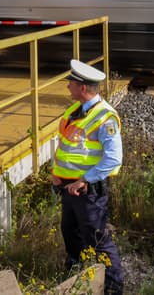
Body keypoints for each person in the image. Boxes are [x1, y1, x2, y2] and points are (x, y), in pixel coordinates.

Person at [51, 60, 124, 294]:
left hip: (88, 192)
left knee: (99, 241)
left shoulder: (105, 118)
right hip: (69, 189)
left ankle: (113, 288)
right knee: (71, 235)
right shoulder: (75, 110)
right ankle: (77, 279)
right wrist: (57, 174)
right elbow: (67, 146)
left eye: (71, 83)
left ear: (83, 88)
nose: (67, 87)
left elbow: (113, 159)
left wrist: (84, 180)